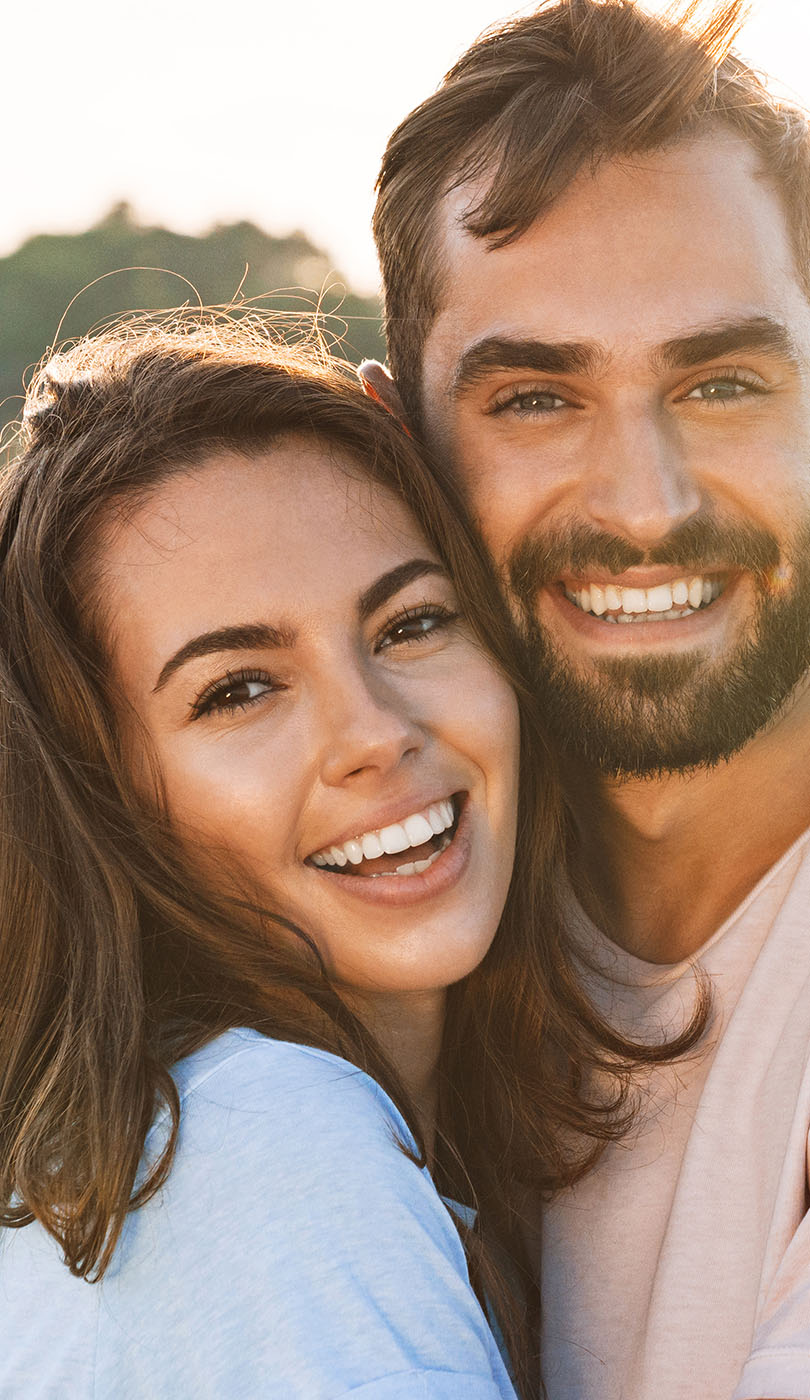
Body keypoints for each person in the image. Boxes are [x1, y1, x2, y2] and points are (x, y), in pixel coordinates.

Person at [0, 319, 680, 1399]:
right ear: (103, 797)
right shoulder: (259, 1140)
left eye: (411, 624)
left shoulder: (202, 1137)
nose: (375, 732)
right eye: (239, 689)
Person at [363, 2, 810, 1398]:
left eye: (722, 382)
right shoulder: (381, 909)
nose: (645, 506)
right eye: (536, 400)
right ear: (398, 449)